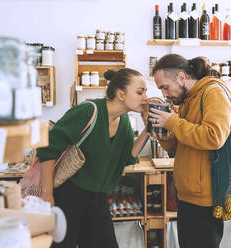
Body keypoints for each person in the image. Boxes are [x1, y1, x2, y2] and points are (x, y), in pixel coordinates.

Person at [36, 68, 149, 248]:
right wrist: (47, 194)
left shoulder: (125, 122)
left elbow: (127, 157)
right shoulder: (88, 111)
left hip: (97, 197)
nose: (145, 98)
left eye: (145, 92)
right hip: (67, 194)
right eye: (140, 92)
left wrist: (148, 130)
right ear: (121, 94)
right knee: (62, 245)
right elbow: (48, 150)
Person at [148, 54, 231, 248]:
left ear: (181, 77)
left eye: (165, 87)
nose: (164, 94)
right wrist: (166, 138)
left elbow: (214, 136)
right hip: (187, 195)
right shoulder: (189, 99)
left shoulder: (213, 92)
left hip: (204, 199)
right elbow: (184, 143)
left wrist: (172, 121)